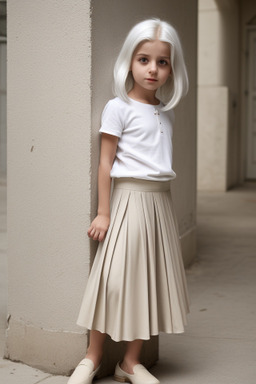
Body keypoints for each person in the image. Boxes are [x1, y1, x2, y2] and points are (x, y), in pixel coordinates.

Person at [68, 18, 190, 384]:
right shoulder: (117, 107)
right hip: (127, 202)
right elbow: (106, 163)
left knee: (149, 282)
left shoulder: (165, 113)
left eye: (162, 62)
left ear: (172, 68)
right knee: (114, 280)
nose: (153, 69)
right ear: (130, 61)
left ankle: (131, 363)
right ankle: (92, 356)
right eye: (144, 59)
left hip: (159, 204)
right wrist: (104, 211)